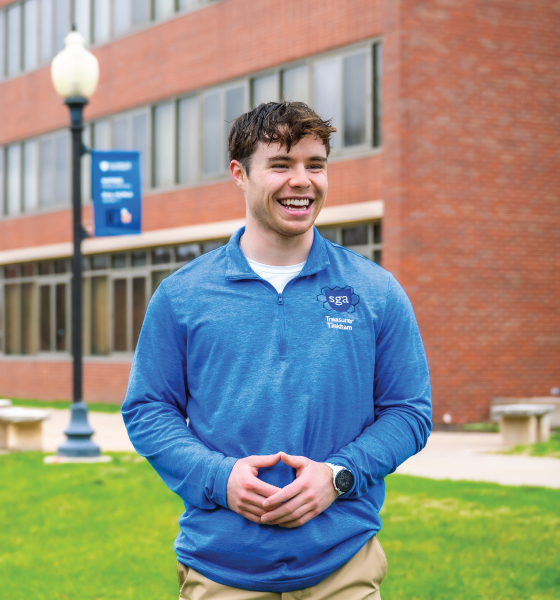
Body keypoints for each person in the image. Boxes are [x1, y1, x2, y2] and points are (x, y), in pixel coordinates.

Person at [121, 101, 432, 599]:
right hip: (222, 567)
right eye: (282, 165)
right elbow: (148, 410)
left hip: (342, 565)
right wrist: (219, 478)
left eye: (315, 164)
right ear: (240, 174)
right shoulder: (183, 295)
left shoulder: (375, 291)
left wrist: (338, 476)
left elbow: (408, 411)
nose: (302, 180)